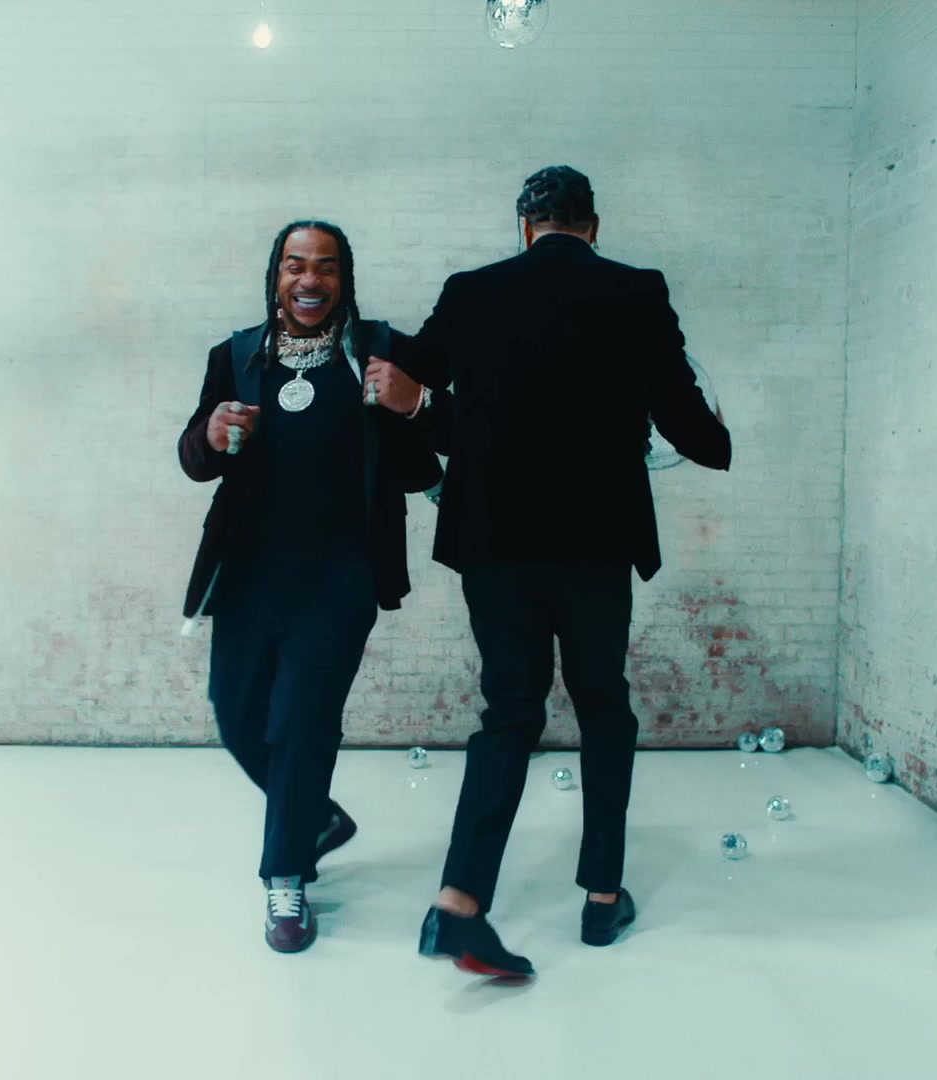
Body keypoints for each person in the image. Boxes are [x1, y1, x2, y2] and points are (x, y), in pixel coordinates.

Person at [368, 166, 733, 977]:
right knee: (604, 707)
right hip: (595, 545)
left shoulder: (471, 292)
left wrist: (403, 387)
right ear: (592, 226)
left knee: (508, 712)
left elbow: (412, 377)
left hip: (493, 545)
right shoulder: (637, 291)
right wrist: (718, 438)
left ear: (525, 226)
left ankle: (457, 902)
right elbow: (684, 419)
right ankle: (601, 899)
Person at [176, 221, 443, 954]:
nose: (310, 280)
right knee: (236, 713)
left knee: (301, 721)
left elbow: (432, 449)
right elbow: (194, 457)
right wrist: (211, 434)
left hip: (340, 574)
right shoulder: (237, 356)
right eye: (296, 265)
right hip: (250, 570)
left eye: (325, 266)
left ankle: (285, 879)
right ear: (276, 275)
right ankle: (314, 817)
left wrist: (413, 402)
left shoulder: (380, 350)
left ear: (344, 278)